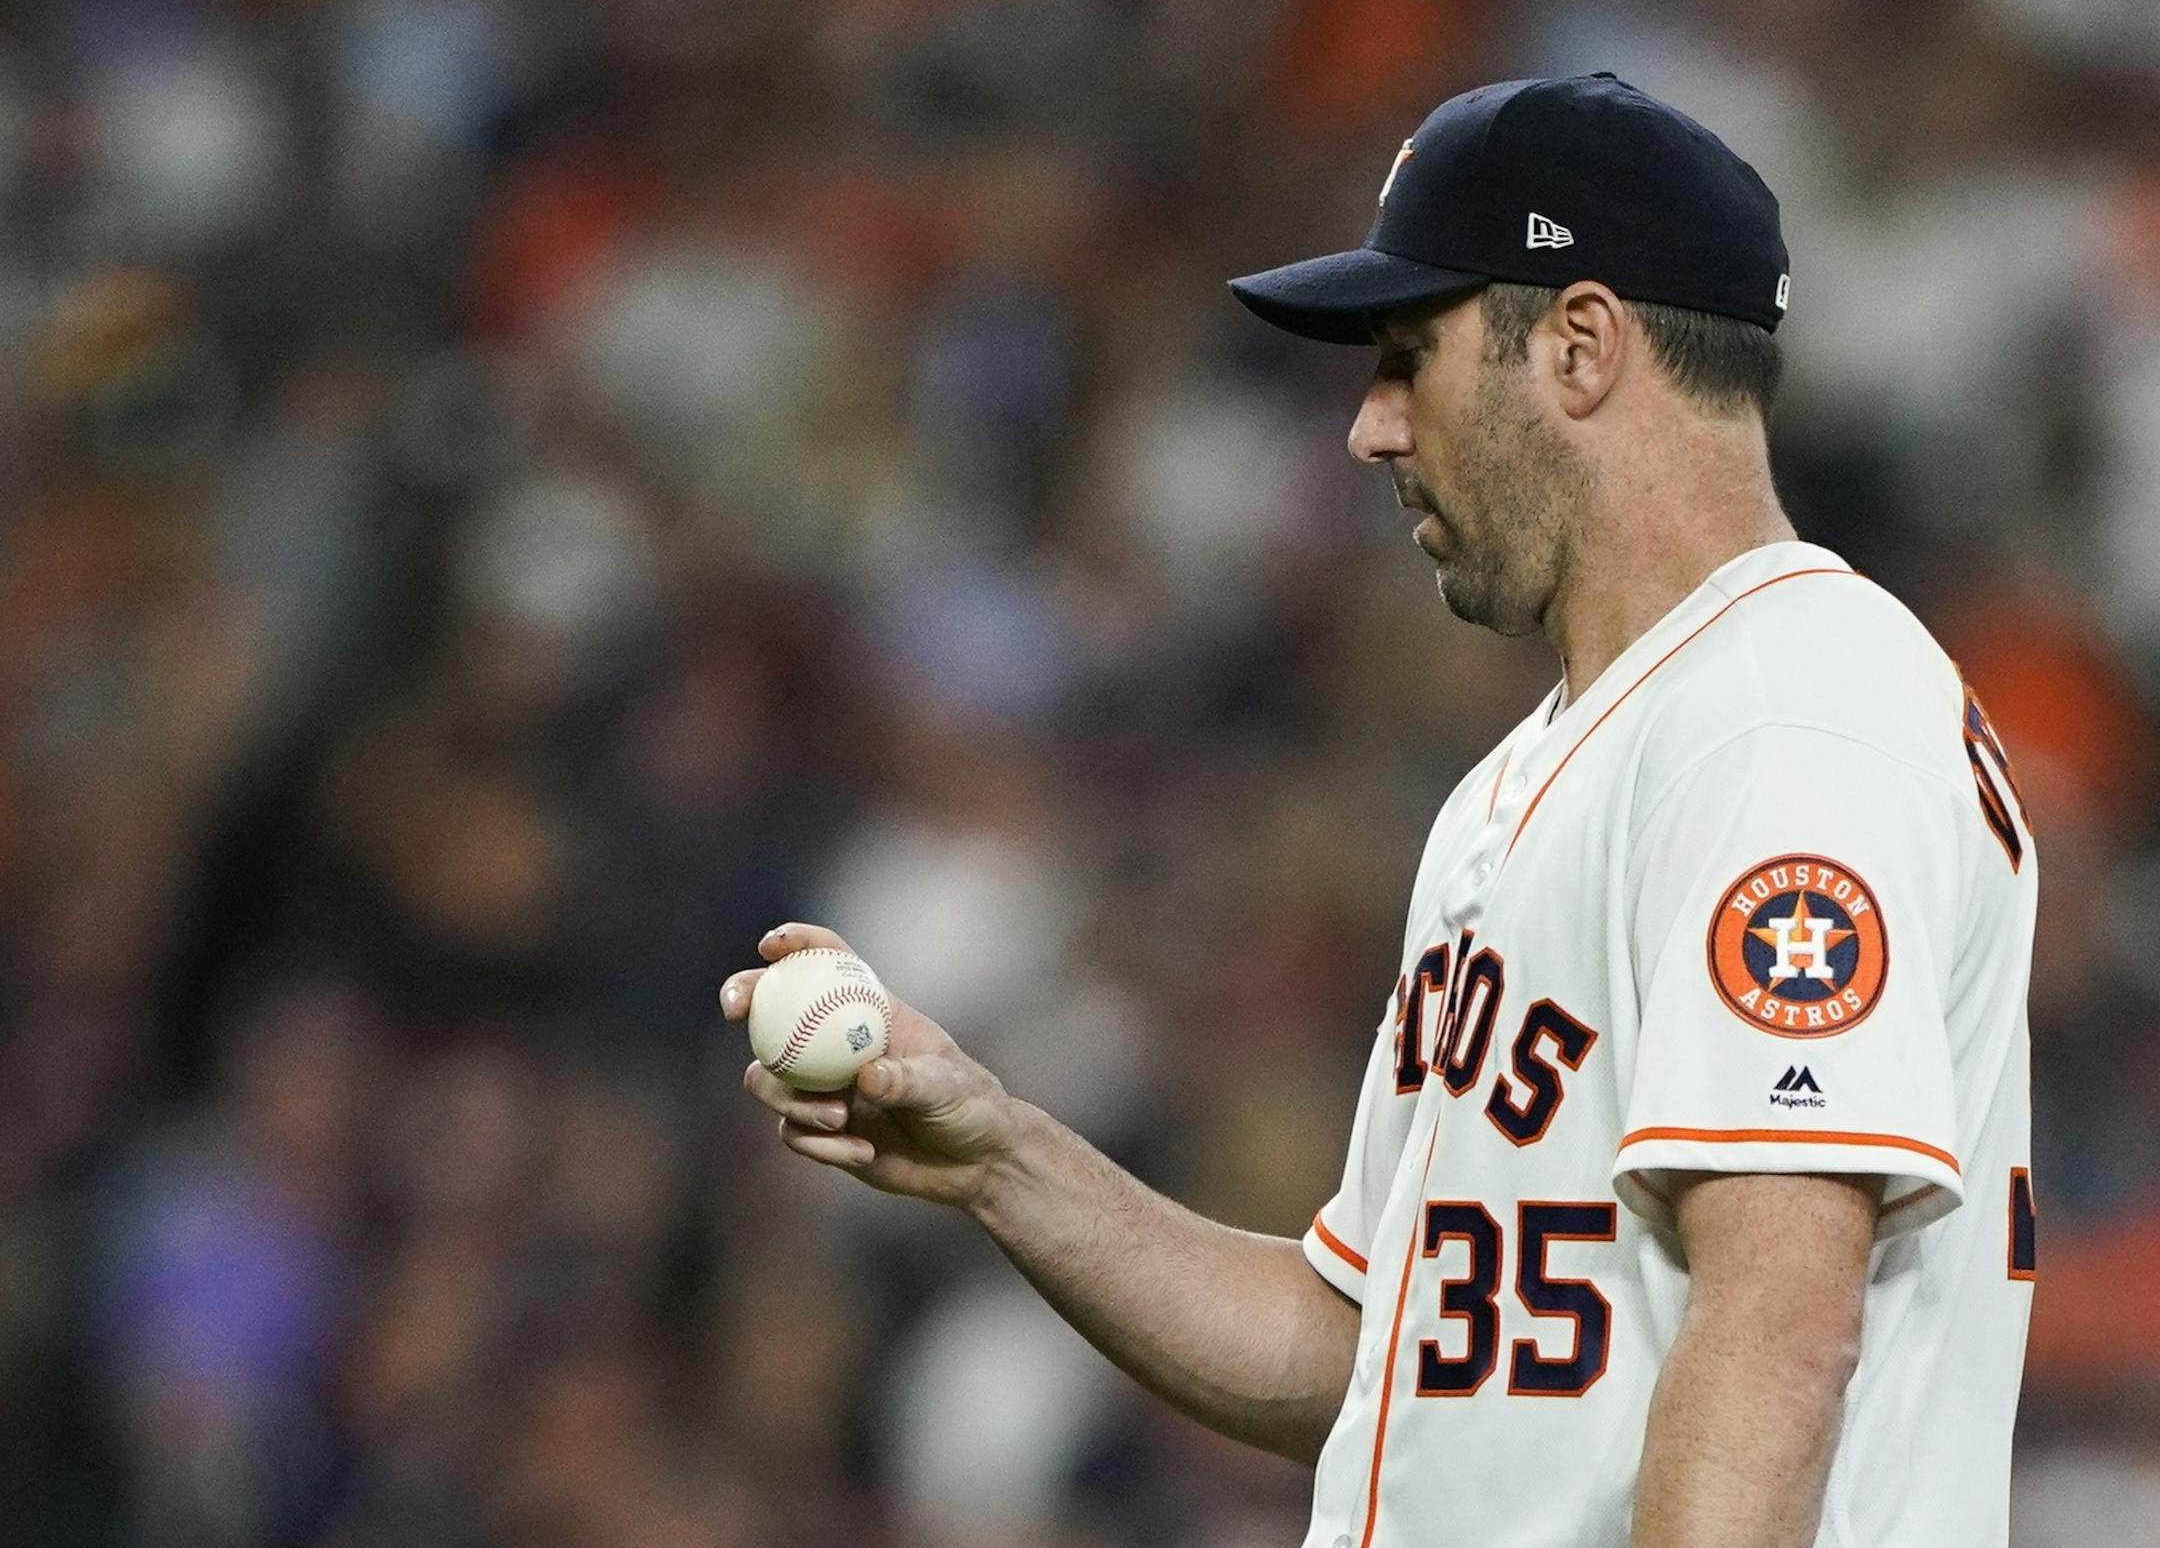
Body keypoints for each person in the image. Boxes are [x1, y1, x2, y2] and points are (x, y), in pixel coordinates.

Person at [720, 74, 2037, 1547]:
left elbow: (1781, 1337)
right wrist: (1008, 1158)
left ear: (1584, 346)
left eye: (1411, 354)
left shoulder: (1784, 717)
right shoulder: (1559, 764)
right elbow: (1373, 1353)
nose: (1370, 426)